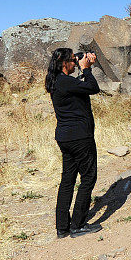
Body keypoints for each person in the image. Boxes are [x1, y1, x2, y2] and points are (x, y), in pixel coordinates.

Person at [44, 47, 102, 238]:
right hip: (80, 137)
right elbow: (93, 88)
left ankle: (62, 227)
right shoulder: (66, 82)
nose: (74, 62)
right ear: (63, 63)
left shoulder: (57, 82)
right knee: (88, 178)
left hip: (65, 137)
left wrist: (81, 64)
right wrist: (86, 69)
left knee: (68, 181)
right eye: (72, 60)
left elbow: (77, 86)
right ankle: (77, 225)